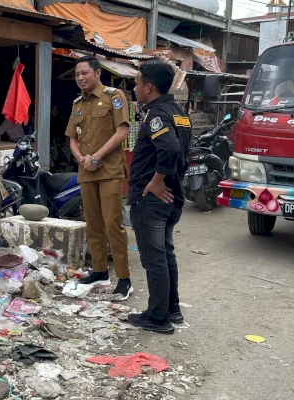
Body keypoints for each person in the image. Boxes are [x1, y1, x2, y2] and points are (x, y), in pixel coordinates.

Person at [127, 61, 191, 333]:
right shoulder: (178, 112)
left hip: (152, 199)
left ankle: (157, 317)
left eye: (137, 82)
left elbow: (171, 149)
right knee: (165, 255)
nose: (134, 87)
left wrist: (155, 181)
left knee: (154, 259)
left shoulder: (157, 114)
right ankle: (171, 309)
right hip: (172, 196)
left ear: (149, 86)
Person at [65, 56, 132, 300]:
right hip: (86, 172)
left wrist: (96, 157)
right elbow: (72, 137)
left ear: (97, 73)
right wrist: (82, 158)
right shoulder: (77, 105)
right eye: (77, 74)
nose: (80, 78)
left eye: (85, 73)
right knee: (93, 225)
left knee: (113, 224)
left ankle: (124, 279)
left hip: (109, 171)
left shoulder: (114, 97)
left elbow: (122, 131)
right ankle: (100, 271)